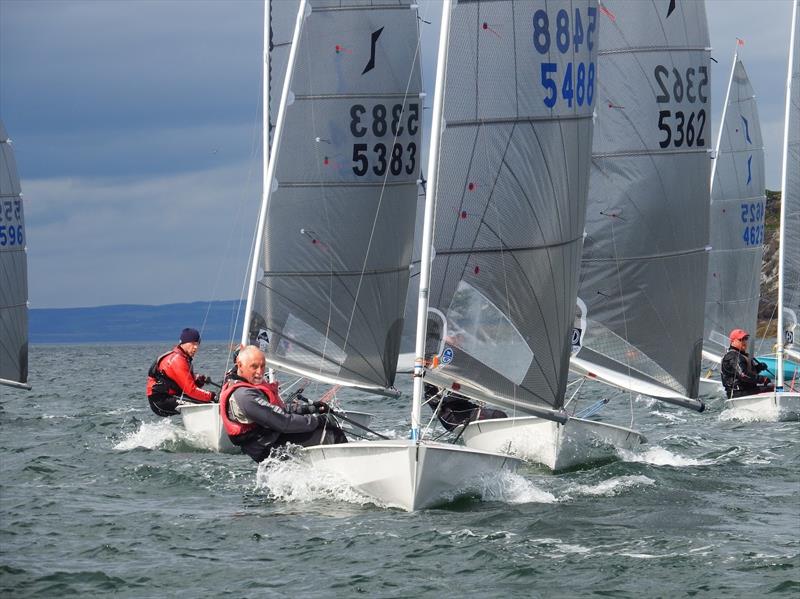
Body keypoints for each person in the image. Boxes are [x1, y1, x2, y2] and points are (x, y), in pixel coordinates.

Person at [220, 345, 347, 462]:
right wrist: (318, 421)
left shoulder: (242, 383)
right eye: (254, 366)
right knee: (333, 434)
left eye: (262, 366)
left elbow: (277, 410)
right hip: (268, 448)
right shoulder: (245, 395)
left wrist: (310, 409)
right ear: (240, 365)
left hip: (270, 440)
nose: (260, 372)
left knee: (322, 428)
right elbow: (283, 422)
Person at [146, 327, 216, 417]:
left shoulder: (183, 358)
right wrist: (212, 396)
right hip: (160, 400)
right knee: (208, 403)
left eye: (198, 344)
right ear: (183, 343)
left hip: (168, 396)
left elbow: (183, 383)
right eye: (193, 343)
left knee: (206, 400)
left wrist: (198, 380)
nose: (196, 347)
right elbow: (191, 390)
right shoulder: (177, 360)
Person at [424, 383, 507, 432]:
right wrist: (463, 389)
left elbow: (460, 398)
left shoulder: (448, 385)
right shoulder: (429, 395)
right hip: (454, 420)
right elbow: (450, 400)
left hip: (466, 411)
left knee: (501, 415)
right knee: (499, 415)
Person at [720, 329, 774, 398]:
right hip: (738, 393)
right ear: (733, 341)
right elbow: (743, 375)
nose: (744, 342)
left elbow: (746, 372)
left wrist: (758, 368)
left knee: (773, 387)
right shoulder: (733, 356)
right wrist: (762, 379)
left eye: (745, 339)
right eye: (741, 339)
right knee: (773, 389)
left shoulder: (741, 355)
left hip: (747, 390)